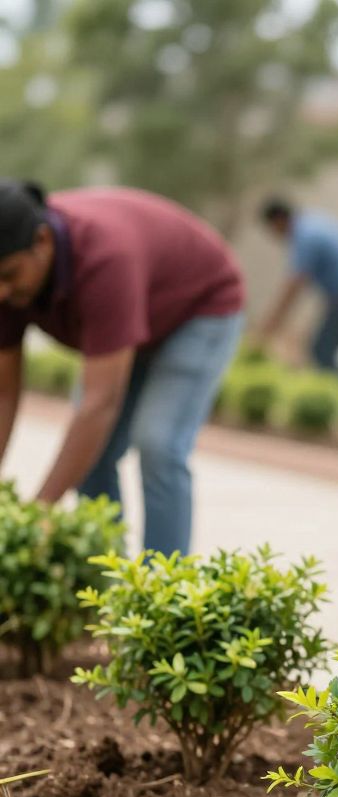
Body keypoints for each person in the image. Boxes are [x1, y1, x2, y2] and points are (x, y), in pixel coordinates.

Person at [0, 181, 244, 555]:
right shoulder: (6, 289)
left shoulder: (104, 257)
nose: (2, 291)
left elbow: (99, 405)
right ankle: (108, 586)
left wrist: (39, 514)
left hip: (196, 310)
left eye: (10, 274)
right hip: (130, 318)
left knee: (159, 445)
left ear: (43, 241)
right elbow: (3, 394)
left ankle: (162, 589)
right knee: (90, 458)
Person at [258, 196, 338, 374]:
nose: (275, 235)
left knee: (322, 351)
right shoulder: (312, 223)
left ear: (278, 220)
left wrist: (269, 326)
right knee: (322, 347)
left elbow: (295, 284)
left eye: (272, 229)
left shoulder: (304, 234)